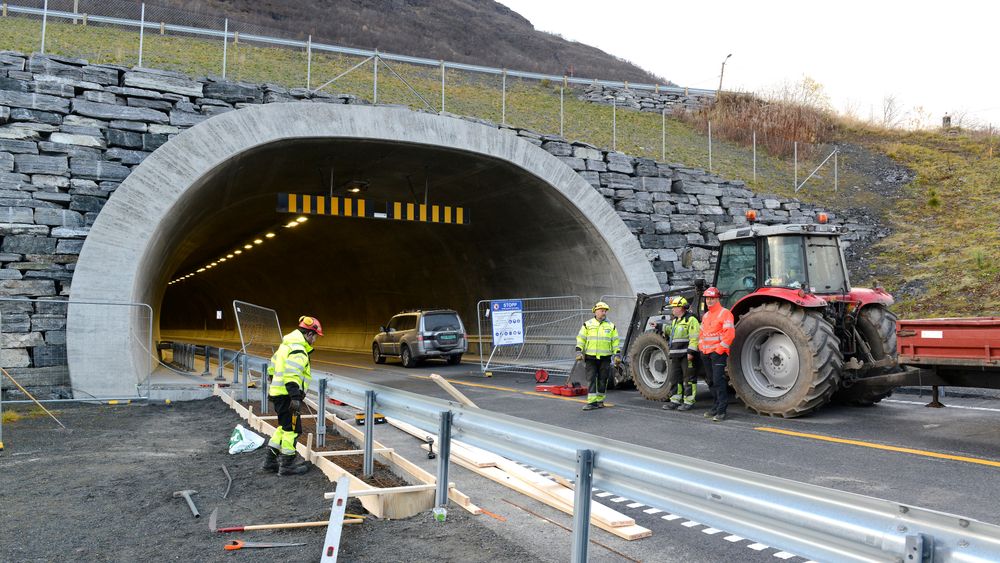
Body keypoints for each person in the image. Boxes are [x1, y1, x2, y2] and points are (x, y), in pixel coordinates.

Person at [261, 315, 323, 476]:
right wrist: (295, 397)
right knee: (292, 430)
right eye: (315, 337)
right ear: (309, 334)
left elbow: (272, 366)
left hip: (278, 393)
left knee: (283, 427)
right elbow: (292, 374)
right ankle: (287, 465)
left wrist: (274, 379)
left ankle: (270, 462)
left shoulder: (286, 345)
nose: (314, 340)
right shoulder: (299, 350)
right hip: (288, 395)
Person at [575, 301, 621, 411]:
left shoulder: (611, 326)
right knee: (591, 379)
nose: (604, 312)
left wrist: (617, 354)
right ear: (595, 312)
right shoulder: (588, 324)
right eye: (602, 310)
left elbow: (615, 342)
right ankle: (592, 402)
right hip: (591, 357)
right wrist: (578, 351)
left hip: (605, 358)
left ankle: (600, 401)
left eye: (605, 311)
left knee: (603, 380)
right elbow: (581, 339)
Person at [698, 288, 735, 422]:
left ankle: (721, 410)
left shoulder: (725, 313)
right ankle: (715, 406)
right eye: (707, 298)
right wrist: (701, 347)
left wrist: (720, 350)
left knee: (718, 380)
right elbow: (702, 334)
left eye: (712, 298)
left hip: (718, 354)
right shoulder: (706, 315)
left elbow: (729, 334)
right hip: (706, 353)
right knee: (711, 381)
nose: (709, 300)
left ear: (717, 299)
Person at [661, 296, 701, 412]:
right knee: (675, 379)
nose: (672, 310)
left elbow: (695, 337)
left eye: (674, 307)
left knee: (688, 379)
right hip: (675, 354)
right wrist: (660, 326)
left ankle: (689, 401)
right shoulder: (675, 321)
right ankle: (675, 401)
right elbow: (672, 332)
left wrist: (691, 351)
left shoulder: (691, 320)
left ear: (681, 308)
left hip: (686, 355)